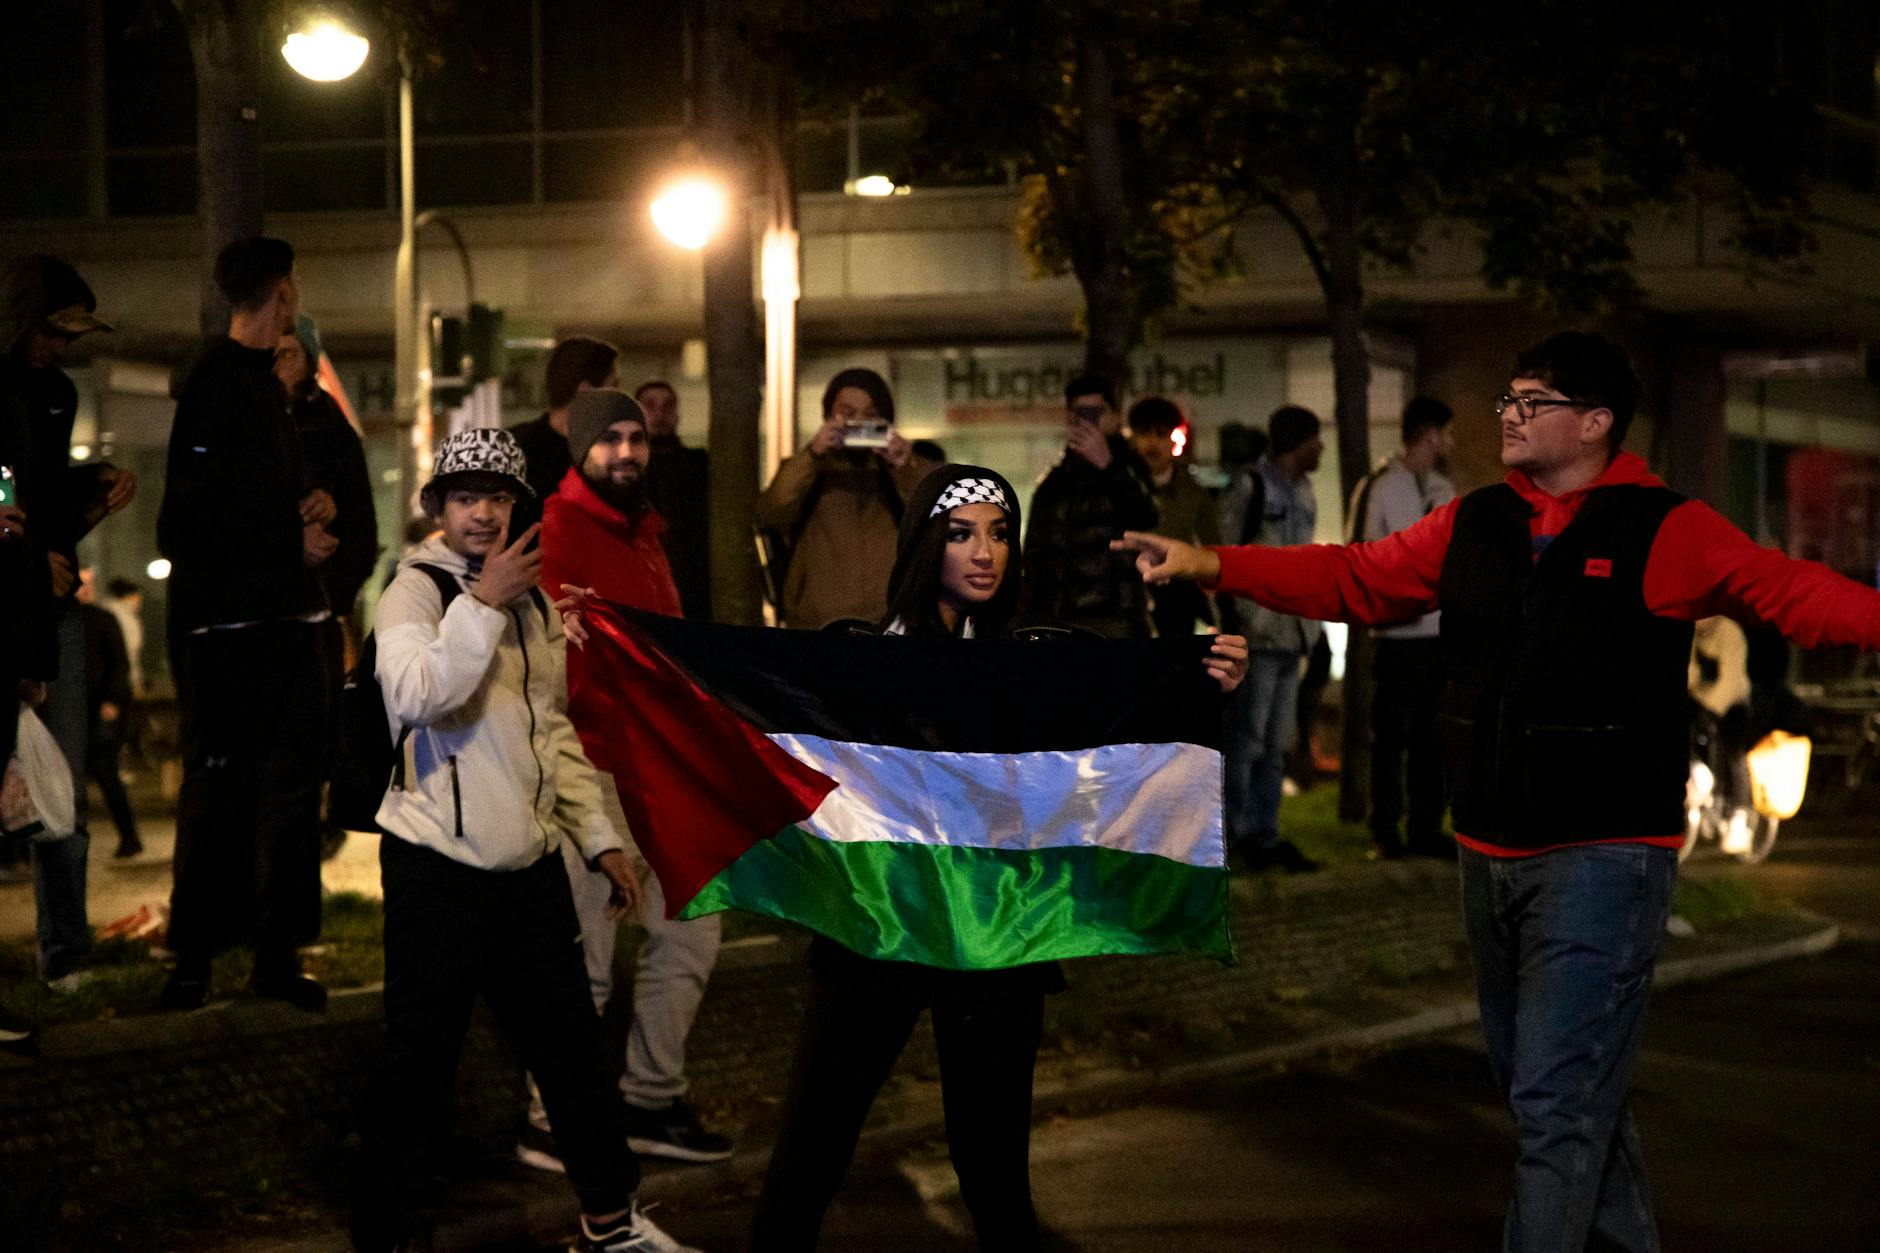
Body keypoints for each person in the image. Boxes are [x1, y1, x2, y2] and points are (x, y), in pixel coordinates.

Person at [1114, 330, 1880, 1253]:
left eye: (1532, 402)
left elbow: (1789, 591)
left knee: (1557, 1100)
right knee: (1564, 1091)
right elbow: (1359, 577)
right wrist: (1211, 563)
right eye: (1507, 399)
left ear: (1595, 423)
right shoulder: (1474, 522)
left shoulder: (1665, 527)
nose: (1509, 417)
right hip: (1489, 846)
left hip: (1605, 853)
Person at [748, 463, 1248, 1252]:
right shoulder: (863, 666)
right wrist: (622, 638)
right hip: (880, 930)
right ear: (922, 545)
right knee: (809, 1157)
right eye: (959, 533)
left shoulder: (1039, 665)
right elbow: (751, 702)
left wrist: (1202, 685)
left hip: (999, 939)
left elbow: (1116, 743)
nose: (984, 551)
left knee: (995, 1179)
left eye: (998, 531)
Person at [352, 427, 696, 1253]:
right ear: (438, 506)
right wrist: (480, 604)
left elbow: (553, 735)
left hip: (529, 869)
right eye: (466, 496)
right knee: (419, 1060)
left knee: (573, 1054)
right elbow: (416, 694)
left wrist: (599, 839)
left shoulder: (535, 601)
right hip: (436, 865)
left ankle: (612, 1221)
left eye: (499, 497)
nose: (482, 513)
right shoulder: (416, 591)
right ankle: (389, 1233)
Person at [536, 389, 734, 1165]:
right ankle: (551, 1118)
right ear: (581, 449)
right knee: (584, 956)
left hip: (660, 770)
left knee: (690, 934)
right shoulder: (555, 528)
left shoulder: (647, 532)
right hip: (590, 766)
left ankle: (648, 1099)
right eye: (611, 439)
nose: (627, 451)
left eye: (636, 438)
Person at [156, 236, 334, 1012]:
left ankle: (271, 957)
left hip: (281, 620)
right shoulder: (217, 383)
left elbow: (249, 496)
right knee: (224, 794)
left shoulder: (260, 386)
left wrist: (311, 505)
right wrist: (286, 537)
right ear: (283, 294)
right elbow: (188, 520)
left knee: (288, 797)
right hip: (234, 632)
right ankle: (194, 960)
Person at [0, 254, 136, 988]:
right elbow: (6, 497)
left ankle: (65, 953)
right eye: (49, 330)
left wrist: (93, 489)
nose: (57, 346)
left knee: (64, 786)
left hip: (51, 609)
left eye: (66, 335)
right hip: (12, 609)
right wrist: (27, 563)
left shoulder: (54, 394)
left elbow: (40, 495)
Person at [1215, 405, 1325, 873]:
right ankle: (1236, 836)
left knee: (1276, 743)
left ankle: (1265, 834)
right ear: (1299, 441)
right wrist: (1237, 622)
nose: (1321, 447)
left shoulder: (1304, 490)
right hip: (1258, 636)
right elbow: (1223, 555)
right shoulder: (1250, 486)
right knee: (1249, 740)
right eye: (1315, 438)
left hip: (1291, 633)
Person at [1349, 396, 1457, 859]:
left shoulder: (1444, 489)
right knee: (1390, 737)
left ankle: (1426, 827)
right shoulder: (1378, 486)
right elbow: (1362, 553)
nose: (1451, 442)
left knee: (1431, 736)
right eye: (1447, 433)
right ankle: (1385, 829)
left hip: (1435, 633)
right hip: (1394, 634)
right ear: (1431, 433)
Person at [755, 367, 925, 628]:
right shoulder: (808, 469)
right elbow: (772, 512)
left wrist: (905, 466)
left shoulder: (900, 472)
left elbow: (935, 517)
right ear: (828, 416)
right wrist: (813, 454)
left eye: (870, 415)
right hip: (818, 627)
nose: (858, 422)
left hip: (889, 625)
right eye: (848, 414)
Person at [1020, 373, 1159, 639]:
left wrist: (1107, 466)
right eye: (1078, 413)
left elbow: (1147, 516)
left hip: (1116, 624)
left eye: (1095, 412)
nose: (1086, 420)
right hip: (1059, 624)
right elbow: (1034, 555)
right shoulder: (1053, 484)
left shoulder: (1131, 469)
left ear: (1114, 417)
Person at [1127, 396, 1219, 638]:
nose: (1152, 443)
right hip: (1128, 591)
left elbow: (1214, 547)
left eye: (1161, 433)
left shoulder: (1193, 492)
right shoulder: (1119, 488)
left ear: (1173, 438)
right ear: (1133, 438)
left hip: (1177, 593)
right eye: (1145, 433)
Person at [508, 336, 620, 526]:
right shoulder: (514, 449)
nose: (617, 398)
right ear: (585, 391)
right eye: (613, 386)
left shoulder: (513, 444)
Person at [633, 380, 713, 621]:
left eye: (667, 406)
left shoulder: (698, 465)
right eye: (650, 405)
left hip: (692, 589)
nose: (660, 413)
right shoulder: (628, 471)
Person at [76, 569, 139, 858]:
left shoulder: (102, 619)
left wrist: (113, 700)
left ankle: (129, 835)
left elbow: (119, 664)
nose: (85, 589)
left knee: (106, 775)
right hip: (78, 710)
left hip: (99, 710)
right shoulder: (68, 621)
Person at [102, 577, 146, 706]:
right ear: (130, 596)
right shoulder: (126, 620)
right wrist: (135, 681)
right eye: (138, 596)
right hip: (120, 682)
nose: (140, 601)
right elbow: (129, 654)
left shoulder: (105, 611)